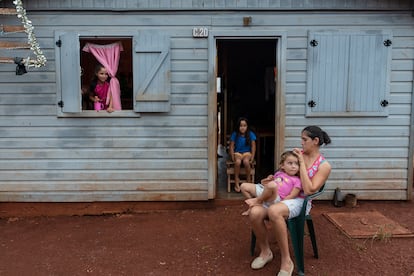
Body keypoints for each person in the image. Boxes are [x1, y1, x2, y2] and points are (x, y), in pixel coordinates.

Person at [247, 126, 331, 276]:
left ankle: (287, 260)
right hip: (282, 197)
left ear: (315, 141)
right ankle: (266, 252)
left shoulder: (324, 166)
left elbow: (309, 189)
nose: (301, 143)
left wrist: (302, 164)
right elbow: (282, 176)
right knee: (254, 212)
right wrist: (269, 181)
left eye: (304, 140)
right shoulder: (297, 155)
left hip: (301, 201)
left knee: (274, 211)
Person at [241, 150, 302, 216]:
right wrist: (267, 179)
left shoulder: (297, 180)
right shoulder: (279, 173)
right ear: (282, 166)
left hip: (277, 198)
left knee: (272, 185)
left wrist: (280, 204)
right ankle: (253, 206)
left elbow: (292, 195)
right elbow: (264, 183)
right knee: (243, 186)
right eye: (290, 163)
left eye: (296, 164)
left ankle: (257, 201)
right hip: (266, 192)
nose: (293, 166)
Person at [229, 117, 256, 192]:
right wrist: (232, 156)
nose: (242, 128)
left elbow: (253, 146)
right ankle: (236, 180)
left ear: (247, 126)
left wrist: (252, 157)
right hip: (238, 153)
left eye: (244, 126)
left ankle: (248, 178)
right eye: (241, 126)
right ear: (238, 127)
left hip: (247, 153)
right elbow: (231, 146)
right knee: (237, 162)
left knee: (246, 162)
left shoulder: (250, 134)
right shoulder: (235, 134)